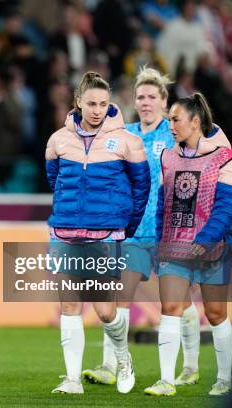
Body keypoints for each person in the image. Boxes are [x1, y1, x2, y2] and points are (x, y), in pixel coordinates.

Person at [83, 67, 202, 386]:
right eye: (140, 97)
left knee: (179, 303)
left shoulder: (174, 134)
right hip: (134, 232)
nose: (145, 102)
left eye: (152, 96)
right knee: (119, 296)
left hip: (168, 233)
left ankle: (190, 368)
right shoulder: (125, 134)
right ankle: (112, 365)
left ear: (164, 101)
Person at [45, 71, 151, 394]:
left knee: (106, 310)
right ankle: (72, 379)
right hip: (64, 233)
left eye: (103, 104)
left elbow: (141, 188)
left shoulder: (127, 142)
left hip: (106, 237)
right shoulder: (58, 140)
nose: (97, 110)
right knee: (70, 306)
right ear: (78, 102)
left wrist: (123, 227)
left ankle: (122, 357)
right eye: (91, 103)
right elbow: (54, 180)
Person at [144, 93, 232, 397]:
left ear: (195, 122)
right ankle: (166, 380)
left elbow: (226, 207)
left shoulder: (226, 157)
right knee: (170, 308)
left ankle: (224, 379)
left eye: (175, 119)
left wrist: (205, 241)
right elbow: (162, 204)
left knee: (215, 314)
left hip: (212, 247)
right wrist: (160, 242)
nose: (170, 125)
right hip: (174, 246)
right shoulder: (168, 157)